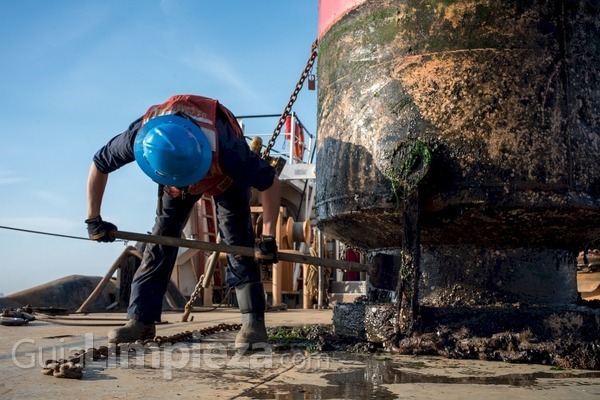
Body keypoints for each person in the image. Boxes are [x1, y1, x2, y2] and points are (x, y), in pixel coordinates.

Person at [86, 94, 281, 351]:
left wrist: (267, 237)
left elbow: (271, 183)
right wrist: (93, 219)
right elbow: (99, 164)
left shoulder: (229, 150)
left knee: (237, 241)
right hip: (174, 178)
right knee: (162, 238)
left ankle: (253, 321)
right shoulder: (141, 135)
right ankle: (141, 319)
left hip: (224, 178)